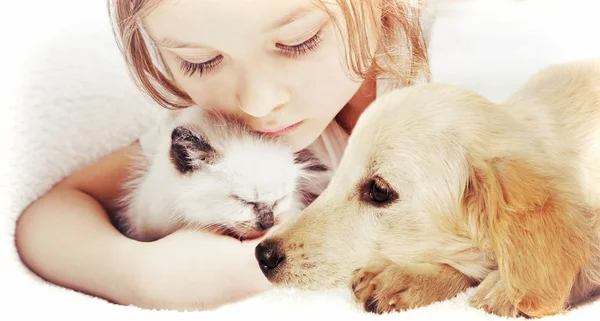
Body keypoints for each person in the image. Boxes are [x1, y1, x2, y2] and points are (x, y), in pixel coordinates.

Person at [14, 0, 431, 312]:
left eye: (297, 41)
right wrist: (141, 275)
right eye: (200, 60)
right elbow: (55, 211)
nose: (258, 102)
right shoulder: (227, 129)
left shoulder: (458, 64)